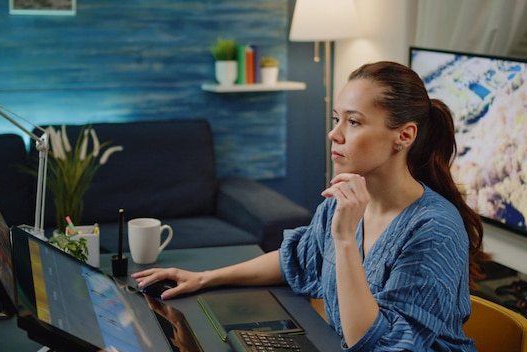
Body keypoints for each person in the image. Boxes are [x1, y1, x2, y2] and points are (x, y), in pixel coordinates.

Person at [132, 61, 490, 351]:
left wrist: (345, 238)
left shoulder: (434, 229)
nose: (335, 134)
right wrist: (206, 278)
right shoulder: (346, 203)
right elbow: (297, 258)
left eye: (354, 121)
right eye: (337, 119)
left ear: (404, 136)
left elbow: (372, 341)